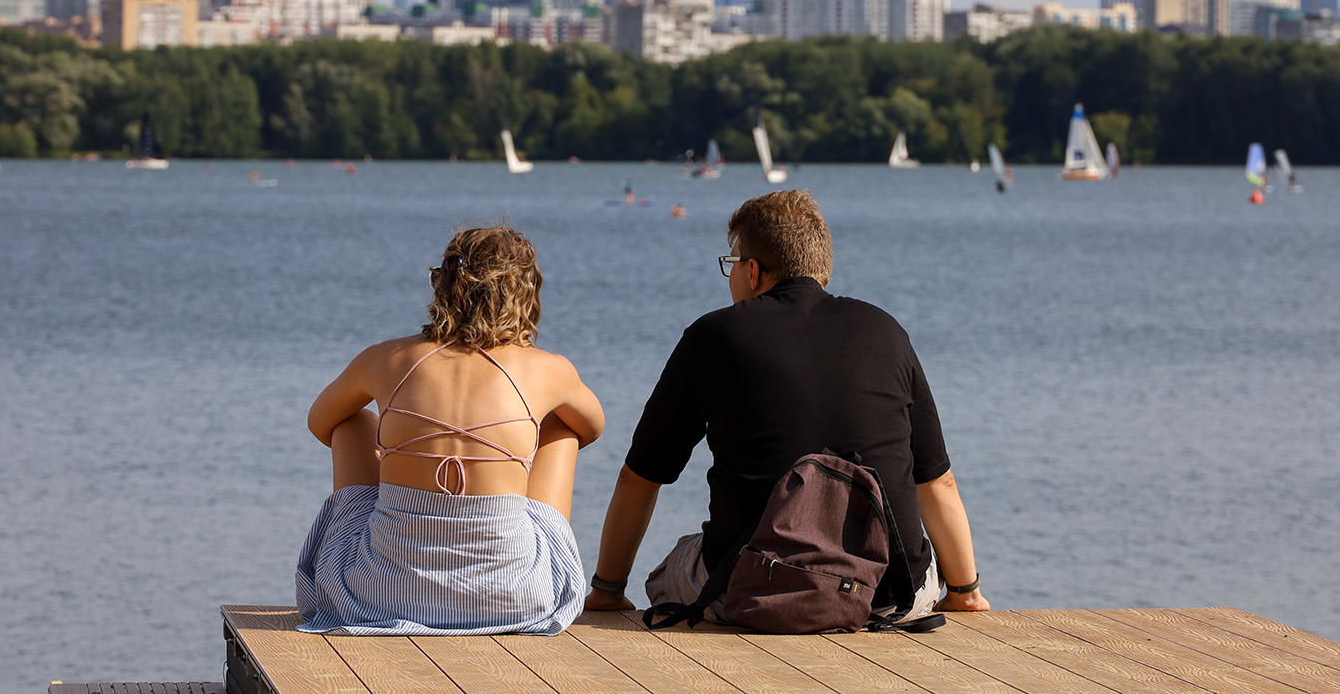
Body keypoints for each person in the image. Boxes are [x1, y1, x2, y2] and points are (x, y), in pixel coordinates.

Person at [584, 190, 988, 625]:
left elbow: (640, 476)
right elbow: (938, 482)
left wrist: (608, 590)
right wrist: (964, 591)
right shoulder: (887, 331)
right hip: (889, 596)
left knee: (670, 570)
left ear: (753, 270)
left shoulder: (713, 337)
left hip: (753, 591)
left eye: (731, 264)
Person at [297, 225, 605, 635]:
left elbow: (320, 422)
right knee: (559, 429)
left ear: (443, 283)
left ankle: (396, 533)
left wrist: (394, 453)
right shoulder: (550, 370)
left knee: (353, 420)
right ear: (527, 292)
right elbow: (593, 426)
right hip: (513, 597)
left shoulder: (385, 358)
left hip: (379, 592)